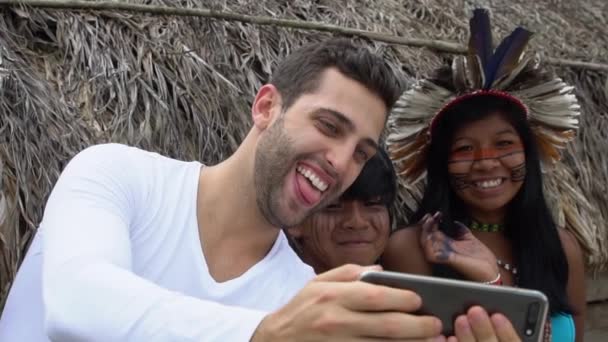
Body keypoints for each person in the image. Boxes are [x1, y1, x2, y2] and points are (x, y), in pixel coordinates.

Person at [0, 37, 520, 342]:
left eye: (362, 152)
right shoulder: (118, 175)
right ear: (266, 107)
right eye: (329, 126)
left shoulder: (299, 292)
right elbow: (76, 303)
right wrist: (264, 333)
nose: (342, 163)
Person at [382, 9, 586, 342]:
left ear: (528, 153)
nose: (486, 162)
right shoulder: (409, 250)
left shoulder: (562, 247)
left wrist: (491, 280)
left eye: (504, 144)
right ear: (441, 164)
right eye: (464, 149)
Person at [288, 147, 397, 274]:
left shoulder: (405, 290)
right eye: (333, 206)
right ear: (294, 221)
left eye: (372, 204)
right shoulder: (275, 291)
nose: (357, 222)